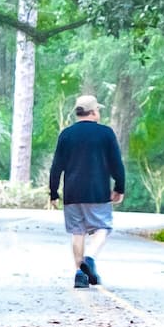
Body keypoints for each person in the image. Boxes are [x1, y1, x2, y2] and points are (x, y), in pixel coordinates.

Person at [48, 95, 126, 288]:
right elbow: (116, 163)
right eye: (97, 110)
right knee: (103, 227)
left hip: (72, 192)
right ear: (92, 112)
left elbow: (56, 166)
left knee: (77, 232)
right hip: (97, 191)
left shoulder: (66, 134)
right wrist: (119, 187)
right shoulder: (105, 133)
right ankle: (89, 259)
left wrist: (53, 192)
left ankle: (79, 274)